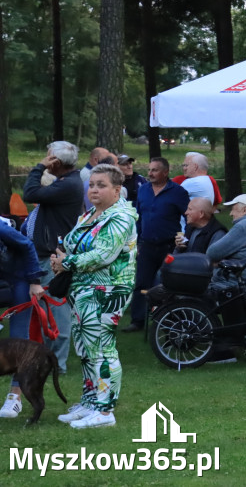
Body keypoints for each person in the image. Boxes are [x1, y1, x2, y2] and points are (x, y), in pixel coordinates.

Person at [49, 163, 138, 429]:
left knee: (101, 349)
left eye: (102, 185)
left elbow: (103, 255)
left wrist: (68, 262)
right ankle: (90, 402)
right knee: (86, 350)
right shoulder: (91, 214)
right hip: (83, 290)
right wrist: (61, 260)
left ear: (117, 189)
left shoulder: (120, 217)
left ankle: (105, 409)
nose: (94, 189)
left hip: (106, 290)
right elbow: (73, 245)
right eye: (92, 184)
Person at [21, 140, 84, 373]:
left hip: (52, 256)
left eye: (48, 156)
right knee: (49, 311)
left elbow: (30, 193)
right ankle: (49, 360)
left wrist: (38, 167)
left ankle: (57, 365)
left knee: (58, 310)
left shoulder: (68, 185)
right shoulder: (66, 182)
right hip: (47, 253)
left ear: (55, 161)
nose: (46, 159)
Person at [125, 158, 189, 333]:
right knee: (141, 282)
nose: (150, 173)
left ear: (165, 172)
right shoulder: (144, 190)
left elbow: (189, 216)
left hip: (169, 246)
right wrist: (137, 241)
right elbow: (138, 217)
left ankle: (167, 319)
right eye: (149, 169)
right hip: (146, 245)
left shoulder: (178, 192)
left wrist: (185, 239)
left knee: (167, 283)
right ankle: (137, 320)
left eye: (154, 170)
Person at [0, 218, 45, 419]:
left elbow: (27, 245)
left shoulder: (2, 229)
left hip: (18, 278)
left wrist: (34, 281)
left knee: (19, 338)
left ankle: (15, 397)